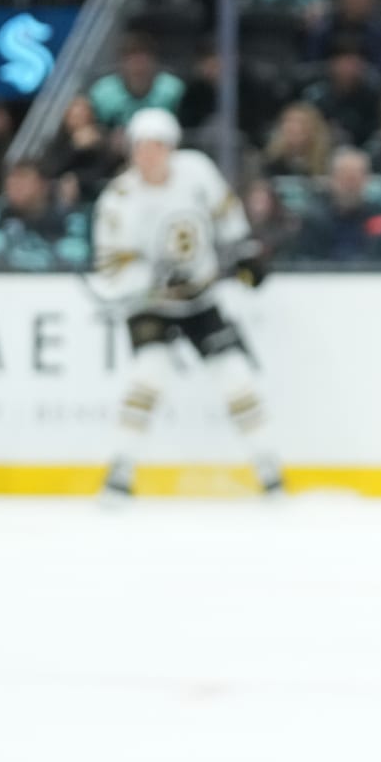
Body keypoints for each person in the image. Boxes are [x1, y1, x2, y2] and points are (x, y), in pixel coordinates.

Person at [88, 109, 282, 499]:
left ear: (172, 148)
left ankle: (269, 472)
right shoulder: (118, 200)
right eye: (140, 147)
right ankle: (121, 472)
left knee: (235, 377)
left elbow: (226, 214)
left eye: (157, 146)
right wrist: (150, 279)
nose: (148, 155)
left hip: (200, 297)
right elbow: (110, 266)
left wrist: (245, 251)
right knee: (149, 375)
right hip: (151, 304)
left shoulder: (196, 171)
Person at [0, 161, 91, 271]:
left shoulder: (68, 217)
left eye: (23, 180)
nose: (15, 187)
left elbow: (76, 254)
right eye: (11, 180)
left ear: (44, 185)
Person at [295, 146, 381, 263]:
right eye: (344, 177)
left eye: (355, 178)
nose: (350, 185)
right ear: (331, 179)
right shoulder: (313, 220)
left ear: (367, 179)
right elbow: (305, 260)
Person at [88, 34, 186, 131]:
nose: (139, 68)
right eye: (133, 63)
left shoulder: (173, 89)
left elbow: (184, 126)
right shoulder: (103, 92)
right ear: (121, 65)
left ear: (154, 64)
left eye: (144, 63)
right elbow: (95, 128)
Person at [44, 96, 120, 206]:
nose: (79, 121)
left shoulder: (105, 139)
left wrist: (100, 146)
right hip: (65, 200)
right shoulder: (57, 144)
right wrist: (73, 147)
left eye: (83, 115)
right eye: (74, 116)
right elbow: (50, 171)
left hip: (101, 194)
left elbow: (107, 171)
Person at [263, 102, 334, 179]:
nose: (293, 127)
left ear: (314, 128)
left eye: (301, 122)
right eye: (289, 122)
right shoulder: (271, 161)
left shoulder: (329, 161)